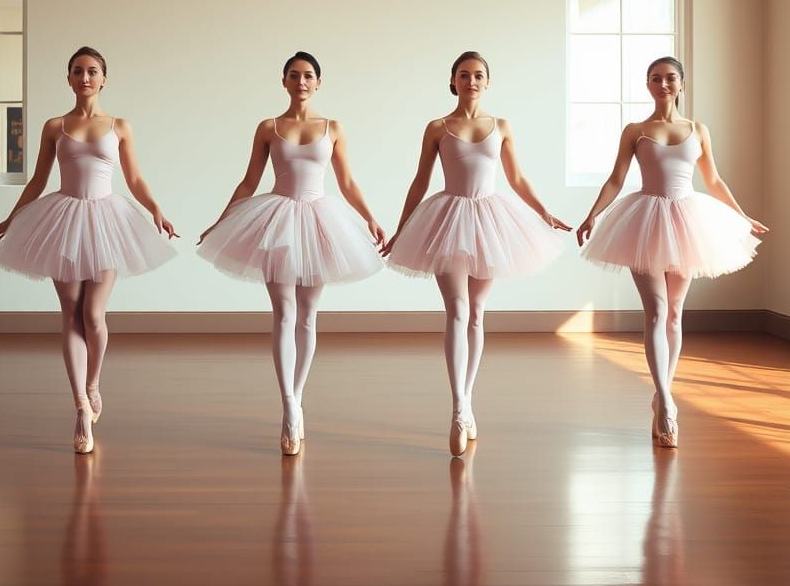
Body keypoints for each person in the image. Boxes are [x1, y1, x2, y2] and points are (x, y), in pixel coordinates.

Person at [0, 46, 177, 454]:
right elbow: (38, 180)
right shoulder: (55, 126)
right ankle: (79, 406)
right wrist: (11, 218)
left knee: (94, 314)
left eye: (92, 71)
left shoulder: (119, 126)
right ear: (69, 79)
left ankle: (93, 383)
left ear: (104, 79)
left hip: (107, 219)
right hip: (64, 219)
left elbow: (135, 178)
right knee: (71, 313)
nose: (85, 77)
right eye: (78, 71)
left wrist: (156, 210)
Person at [197, 51, 384, 456]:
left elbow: (347, 181)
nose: (301, 82)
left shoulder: (332, 128)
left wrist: (369, 217)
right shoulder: (269, 127)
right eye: (294, 75)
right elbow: (249, 180)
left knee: (308, 314)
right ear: (284, 82)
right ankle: (288, 407)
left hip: (319, 220)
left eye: (308, 76)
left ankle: (297, 398)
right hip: (278, 220)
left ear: (318, 83)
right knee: (283, 312)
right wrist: (221, 220)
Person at [384, 51, 570, 456]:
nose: (471, 81)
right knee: (457, 309)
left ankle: (467, 402)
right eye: (464, 75)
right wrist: (401, 228)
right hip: (448, 219)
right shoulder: (437, 127)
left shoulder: (500, 126)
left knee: (477, 312)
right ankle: (457, 407)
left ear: (488, 82)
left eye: (478, 75)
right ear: (453, 81)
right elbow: (420, 181)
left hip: (489, 219)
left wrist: (543, 212)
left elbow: (516, 177)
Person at [577, 57, 766, 448]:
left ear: (682, 84)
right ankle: (665, 402)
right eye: (656, 78)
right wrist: (593, 214)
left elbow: (713, 180)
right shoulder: (635, 131)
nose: (663, 84)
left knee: (675, 314)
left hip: (687, 220)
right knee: (657, 311)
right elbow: (616, 179)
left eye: (670, 78)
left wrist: (742, 216)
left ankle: (663, 391)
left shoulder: (697, 129)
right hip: (644, 220)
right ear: (648, 84)